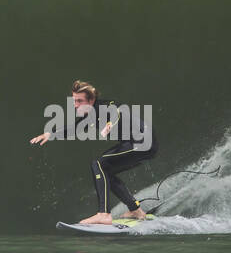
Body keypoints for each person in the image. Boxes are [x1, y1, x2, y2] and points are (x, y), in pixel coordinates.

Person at [31, 80, 158, 224]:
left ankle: (104, 214)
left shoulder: (106, 106)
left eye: (80, 101)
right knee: (106, 170)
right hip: (137, 143)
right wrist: (50, 134)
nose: (75, 105)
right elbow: (76, 128)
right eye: (74, 101)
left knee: (98, 164)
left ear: (91, 100)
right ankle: (135, 210)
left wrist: (110, 124)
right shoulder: (91, 114)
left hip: (143, 141)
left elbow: (116, 112)